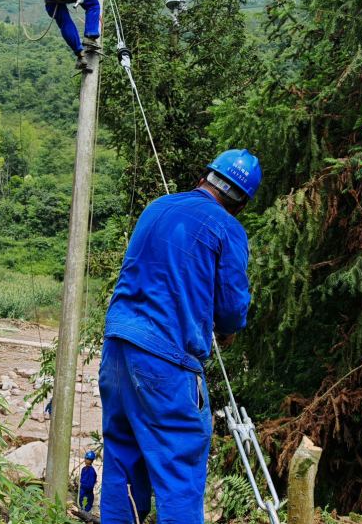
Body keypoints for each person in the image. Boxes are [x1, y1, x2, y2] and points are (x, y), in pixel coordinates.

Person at [98, 149, 262, 524]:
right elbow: (233, 307)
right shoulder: (227, 227)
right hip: (165, 363)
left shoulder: (157, 207)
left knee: (122, 463)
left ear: (206, 176)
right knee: (179, 474)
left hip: (118, 351)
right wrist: (228, 333)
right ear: (241, 202)